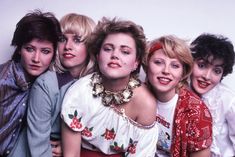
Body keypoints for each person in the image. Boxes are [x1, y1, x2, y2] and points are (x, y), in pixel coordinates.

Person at [61, 17, 158, 157]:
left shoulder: (145, 103)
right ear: (98, 55)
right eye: (108, 49)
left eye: (125, 51)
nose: (114, 55)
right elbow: (71, 155)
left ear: (136, 62)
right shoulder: (80, 91)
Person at [26, 13, 96, 157]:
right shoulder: (46, 84)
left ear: (91, 45)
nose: (67, 46)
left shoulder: (96, 84)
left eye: (77, 40)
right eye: (63, 39)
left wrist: (68, 146)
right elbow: (38, 146)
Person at [0, 10, 61, 157]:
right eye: (29, 49)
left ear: (54, 54)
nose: (36, 58)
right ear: (19, 48)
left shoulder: (46, 84)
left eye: (45, 51)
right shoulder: (3, 80)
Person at [142, 35, 212, 157]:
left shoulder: (196, 112)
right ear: (147, 66)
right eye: (158, 62)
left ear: (183, 73)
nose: (166, 71)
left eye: (175, 65)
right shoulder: (137, 95)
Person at [190, 33, 235, 157]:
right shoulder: (179, 91)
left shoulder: (228, 100)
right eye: (202, 65)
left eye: (217, 71)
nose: (207, 76)